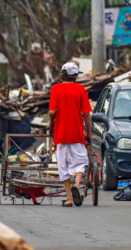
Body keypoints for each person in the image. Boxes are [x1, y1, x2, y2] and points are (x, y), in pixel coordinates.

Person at [48, 61, 92, 207]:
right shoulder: (80, 89)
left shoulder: (55, 89)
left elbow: (52, 112)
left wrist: (50, 125)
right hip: (77, 134)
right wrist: (89, 133)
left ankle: (69, 199)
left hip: (60, 134)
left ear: (62, 74)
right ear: (75, 76)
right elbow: (86, 114)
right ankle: (77, 184)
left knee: (63, 167)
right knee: (80, 163)